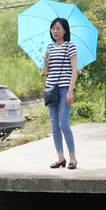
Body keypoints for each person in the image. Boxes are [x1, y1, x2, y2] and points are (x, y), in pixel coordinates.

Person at [42, 18, 78, 169]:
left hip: (64, 90)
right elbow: (46, 72)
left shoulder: (70, 46)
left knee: (64, 124)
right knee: (54, 125)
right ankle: (60, 158)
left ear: (65, 30)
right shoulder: (49, 47)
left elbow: (74, 70)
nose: (55, 31)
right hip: (51, 89)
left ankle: (72, 157)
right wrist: (46, 61)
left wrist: (70, 91)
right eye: (53, 28)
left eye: (58, 28)